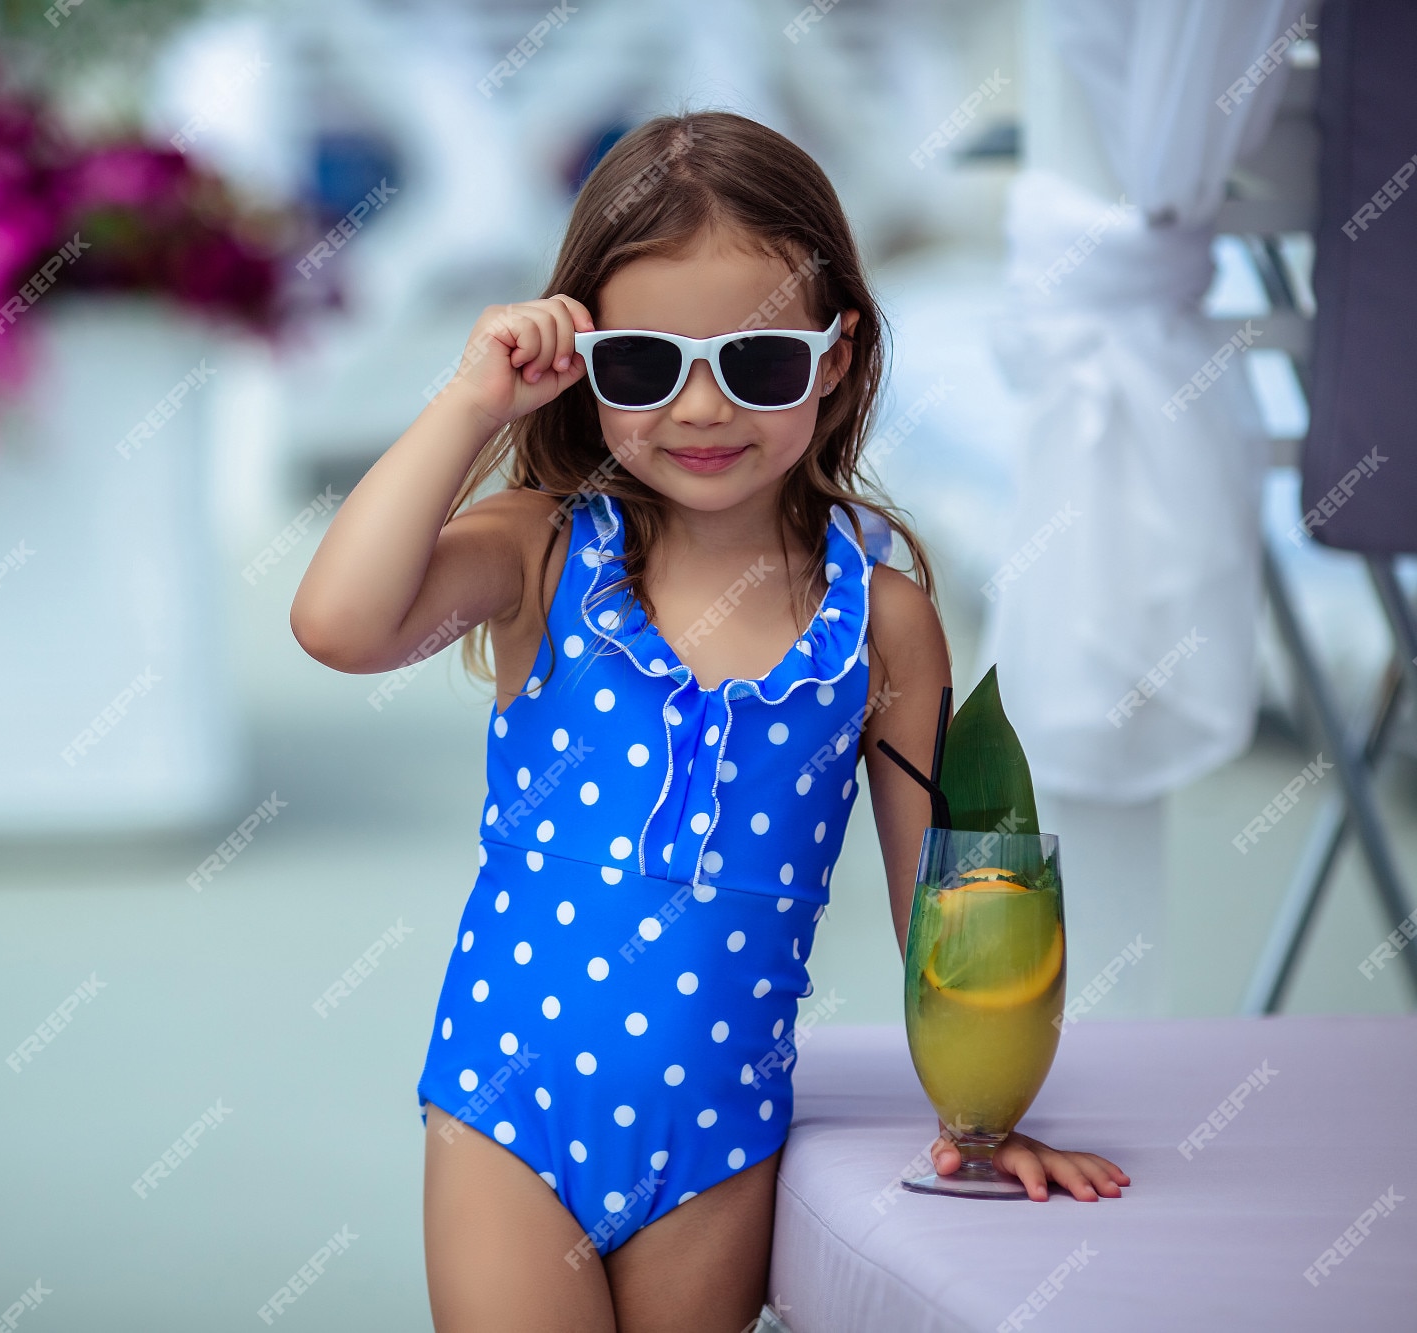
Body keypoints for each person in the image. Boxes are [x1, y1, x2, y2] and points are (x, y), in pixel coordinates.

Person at [290, 111, 1127, 1333]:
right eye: (643, 364)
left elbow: (938, 907)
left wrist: (979, 1117)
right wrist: (470, 405)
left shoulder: (883, 621)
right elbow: (339, 624)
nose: (698, 407)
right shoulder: (540, 554)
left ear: (832, 360)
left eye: (757, 362)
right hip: (508, 1110)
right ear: (584, 361)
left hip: (720, 1134)